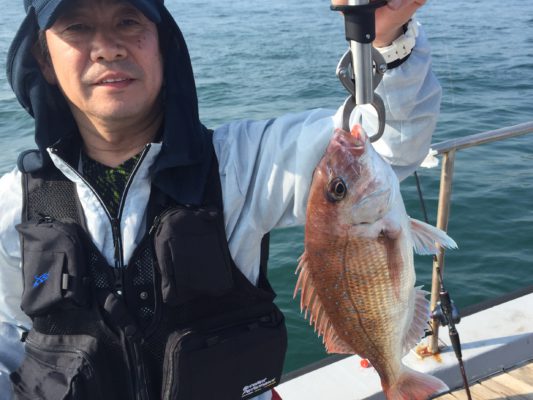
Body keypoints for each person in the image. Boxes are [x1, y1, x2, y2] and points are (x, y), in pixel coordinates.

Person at [0, 0, 440, 399]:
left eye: (129, 21)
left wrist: (386, 35)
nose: (107, 48)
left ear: (164, 45)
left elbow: (386, 143)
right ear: (44, 58)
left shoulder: (241, 162)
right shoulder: (12, 206)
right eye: (77, 27)